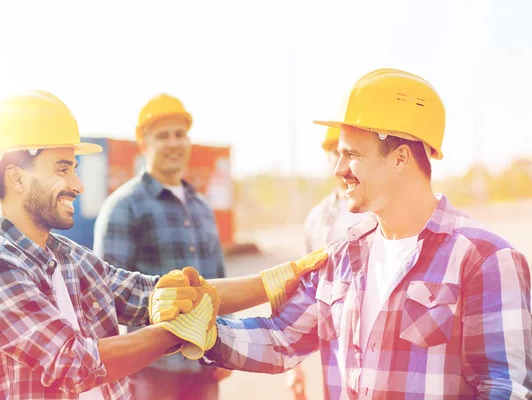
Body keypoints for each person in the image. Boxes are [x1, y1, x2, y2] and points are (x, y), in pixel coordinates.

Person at [153, 69, 532, 398]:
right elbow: (282, 338)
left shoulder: (484, 260)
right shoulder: (344, 254)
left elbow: (503, 388)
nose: (339, 169)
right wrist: (203, 330)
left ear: (401, 157)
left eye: (352, 154)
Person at [0, 90, 327, 399]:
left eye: (74, 169)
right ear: (17, 178)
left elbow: (152, 294)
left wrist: (280, 278)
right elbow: (74, 363)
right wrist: (181, 331)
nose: (78, 185)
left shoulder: (68, 259)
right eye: (63, 168)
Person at [93, 94, 231, 400]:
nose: (173, 143)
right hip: (152, 372)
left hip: (204, 364)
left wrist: (227, 345)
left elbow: (218, 285)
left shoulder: (202, 207)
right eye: (162, 136)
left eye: (179, 134)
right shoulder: (123, 207)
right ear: (144, 145)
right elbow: (103, 296)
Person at [288, 126, 367, 400]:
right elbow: (302, 291)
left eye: (347, 151)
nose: (340, 160)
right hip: (336, 344)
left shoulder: (382, 207)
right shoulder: (318, 219)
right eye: (334, 152)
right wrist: (294, 367)